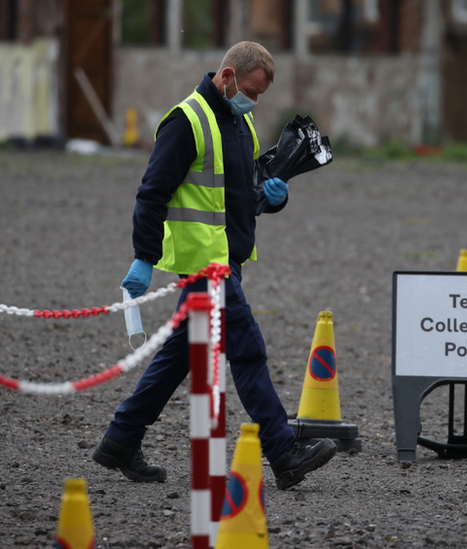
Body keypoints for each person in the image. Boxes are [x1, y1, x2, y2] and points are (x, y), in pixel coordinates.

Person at [92, 41, 336, 490]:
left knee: (179, 355)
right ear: (227, 76)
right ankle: (283, 452)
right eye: (251, 91)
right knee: (247, 351)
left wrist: (273, 198)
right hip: (205, 266)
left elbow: (241, 194)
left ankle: (120, 439)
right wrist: (144, 259)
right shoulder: (185, 122)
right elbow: (152, 194)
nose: (254, 102)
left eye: (260, 96)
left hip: (229, 260)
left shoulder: (239, 120)